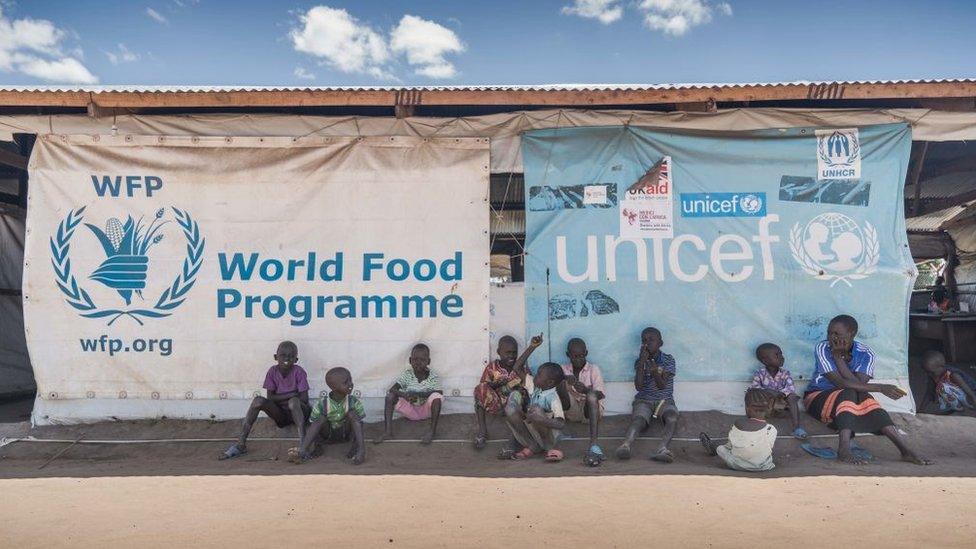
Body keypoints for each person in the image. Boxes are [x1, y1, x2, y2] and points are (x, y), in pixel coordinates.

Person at [804, 314, 931, 465]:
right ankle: (844, 449)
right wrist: (880, 388)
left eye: (837, 333)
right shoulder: (822, 347)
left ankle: (905, 450)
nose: (831, 337)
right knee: (851, 391)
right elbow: (840, 383)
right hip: (817, 398)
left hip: (846, 405)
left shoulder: (866, 354)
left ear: (852, 334)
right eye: (829, 333)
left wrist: (839, 359)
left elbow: (858, 384)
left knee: (858, 392)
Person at [220, 340, 310, 460]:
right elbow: (270, 397)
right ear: (275, 357)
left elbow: (304, 399)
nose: (287, 358)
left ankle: (303, 447)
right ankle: (241, 444)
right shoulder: (272, 371)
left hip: (300, 412)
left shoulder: (299, 372)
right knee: (258, 400)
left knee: (294, 402)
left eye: (291, 356)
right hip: (281, 415)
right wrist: (292, 394)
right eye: (283, 355)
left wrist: (292, 398)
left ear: (296, 359)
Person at [615, 327, 679, 463]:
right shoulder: (640, 362)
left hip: (664, 401)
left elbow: (662, 385)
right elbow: (638, 386)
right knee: (638, 421)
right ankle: (626, 445)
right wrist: (642, 363)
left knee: (672, 417)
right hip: (644, 400)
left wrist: (655, 372)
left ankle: (662, 448)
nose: (647, 343)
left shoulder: (668, 360)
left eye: (651, 340)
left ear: (660, 343)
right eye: (644, 341)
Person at [473, 334, 543, 451]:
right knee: (480, 389)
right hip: (496, 402)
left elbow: (529, 387)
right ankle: (482, 430)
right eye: (508, 352)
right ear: (499, 352)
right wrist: (497, 384)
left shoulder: (521, 368)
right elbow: (485, 386)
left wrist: (519, 389)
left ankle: (515, 442)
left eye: (514, 353)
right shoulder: (492, 367)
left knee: (517, 396)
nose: (511, 356)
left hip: (515, 405)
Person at [287, 367, 366, 465]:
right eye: (346, 382)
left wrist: (356, 444)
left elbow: (360, 424)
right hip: (327, 435)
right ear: (333, 387)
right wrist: (317, 444)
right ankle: (303, 450)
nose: (351, 384)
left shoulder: (353, 401)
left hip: (345, 434)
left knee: (353, 414)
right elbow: (314, 426)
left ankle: (361, 451)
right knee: (320, 418)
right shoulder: (322, 404)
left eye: (350, 380)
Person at [375, 343, 443, 445]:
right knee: (390, 397)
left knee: (436, 397)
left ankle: (432, 432)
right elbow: (392, 389)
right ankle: (388, 432)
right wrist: (404, 395)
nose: (418, 363)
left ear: (428, 361)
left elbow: (439, 392)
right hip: (411, 408)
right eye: (415, 359)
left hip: (426, 409)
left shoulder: (432, 376)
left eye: (422, 360)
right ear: (410, 360)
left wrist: (418, 393)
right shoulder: (407, 374)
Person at [700, 388, 778, 472]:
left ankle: (714, 448)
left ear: (747, 408)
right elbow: (768, 447)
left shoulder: (738, 424)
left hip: (736, 465)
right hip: (763, 467)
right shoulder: (772, 429)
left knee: (721, 449)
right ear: (768, 409)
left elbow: (732, 445)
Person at [505, 362, 567, 462]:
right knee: (510, 408)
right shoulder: (535, 386)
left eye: (539, 374)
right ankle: (532, 444)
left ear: (550, 383)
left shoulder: (553, 398)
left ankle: (549, 447)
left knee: (536, 409)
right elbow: (517, 367)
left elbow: (561, 424)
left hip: (548, 436)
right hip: (532, 432)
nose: (535, 376)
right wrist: (532, 346)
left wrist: (540, 419)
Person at [558, 337, 607, 464]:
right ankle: (558, 421)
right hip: (572, 411)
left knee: (591, 396)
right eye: (575, 356)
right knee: (560, 384)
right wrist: (563, 379)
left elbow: (600, 394)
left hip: (590, 413)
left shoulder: (593, 369)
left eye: (581, 356)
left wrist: (585, 390)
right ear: (568, 355)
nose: (578, 359)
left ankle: (594, 444)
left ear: (586, 353)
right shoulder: (563, 369)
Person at [750, 342, 808, 439]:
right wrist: (770, 392)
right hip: (766, 403)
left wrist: (778, 394)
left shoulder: (785, 373)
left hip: (781, 402)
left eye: (781, 354)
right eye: (777, 355)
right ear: (765, 361)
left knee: (792, 397)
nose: (781, 357)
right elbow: (755, 388)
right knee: (751, 394)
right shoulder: (760, 373)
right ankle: (754, 427)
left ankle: (797, 428)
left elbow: (790, 388)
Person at [919, 350, 976, 414]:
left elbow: (967, 389)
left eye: (932, 372)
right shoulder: (933, 377)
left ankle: (963, 405)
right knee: (940, 388)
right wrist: (920, 410)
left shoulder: (953, 375)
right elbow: (929, 393)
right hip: (957, 395)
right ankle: (954, 407)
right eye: (927, 372)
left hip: (968, 394)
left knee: (942, 387)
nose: (929, 375)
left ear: (942, 366)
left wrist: (973, 398)